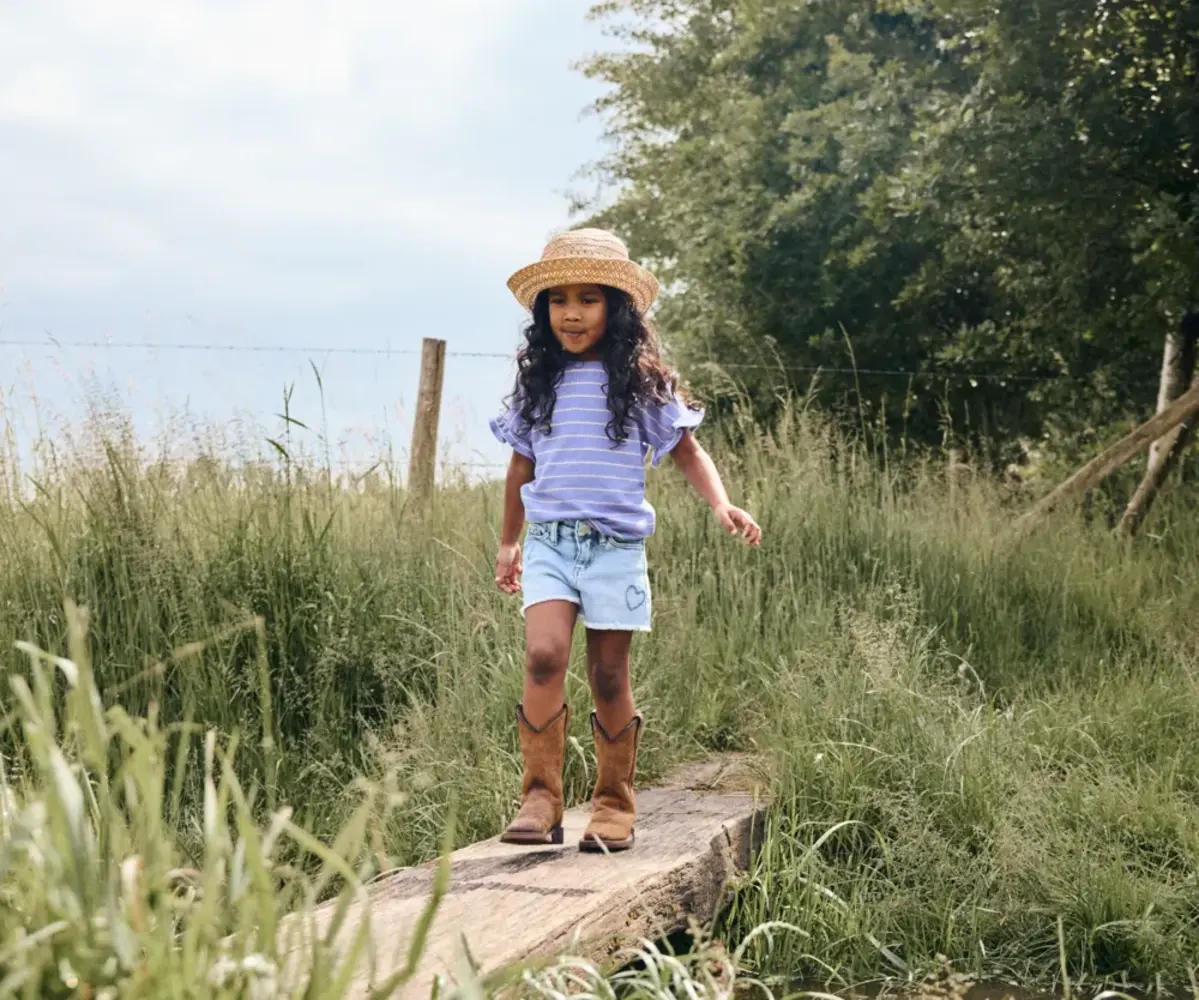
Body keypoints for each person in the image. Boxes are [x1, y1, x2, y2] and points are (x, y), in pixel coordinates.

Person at [489, 227, 761, 853]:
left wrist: (722, 505)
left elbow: (687, 452)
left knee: (609, 674)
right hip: (553, 542)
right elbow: (519, 469)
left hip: (614, 547)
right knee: (544, 655)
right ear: (544, 310)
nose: (573, 312)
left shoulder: (639, 384)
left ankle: (613, 805)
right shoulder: (538, 385)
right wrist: (510, 543)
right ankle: (540, 797)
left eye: (588, 298)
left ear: (616, 307)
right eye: (559, 300)